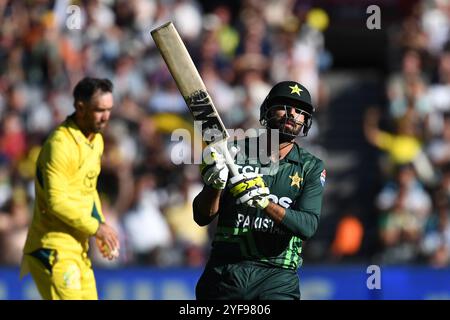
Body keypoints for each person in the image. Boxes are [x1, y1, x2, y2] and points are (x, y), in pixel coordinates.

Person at [193, 81, 326, 300]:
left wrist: (265, 203)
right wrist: (214, 186)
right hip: (225, 271)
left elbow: (307, 226)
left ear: (306, 120)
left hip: (277, 276)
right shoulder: (233, 152)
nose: (292, 114)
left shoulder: (311, 167)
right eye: (284, 106)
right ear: (267, 111)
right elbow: (201, 216)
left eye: (300, 111)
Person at [20, 77, 120, 300]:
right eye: (99, 110)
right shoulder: (60, 145)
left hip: (78, 248)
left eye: (109, 110)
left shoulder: (97, 141)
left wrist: (101, 226)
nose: (106, 117)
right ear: (80, 107)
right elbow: (57, 202)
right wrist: (96, 227)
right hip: (52, 247)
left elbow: (89, 189)